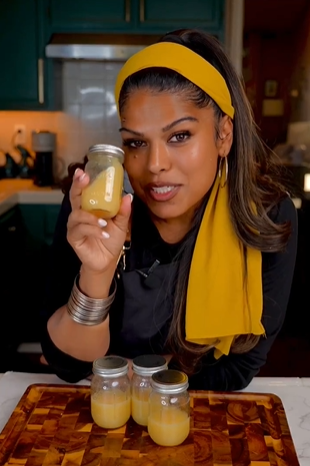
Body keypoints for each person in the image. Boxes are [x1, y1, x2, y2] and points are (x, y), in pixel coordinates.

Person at [40, 29, 297, 390]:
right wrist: (96, 275)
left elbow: (236, 370)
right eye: (136, 142)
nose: (154, 164)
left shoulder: (267, 217)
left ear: (224, 134)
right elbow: (68, 364)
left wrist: (126, 371)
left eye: (179, 136)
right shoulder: (96, 203)